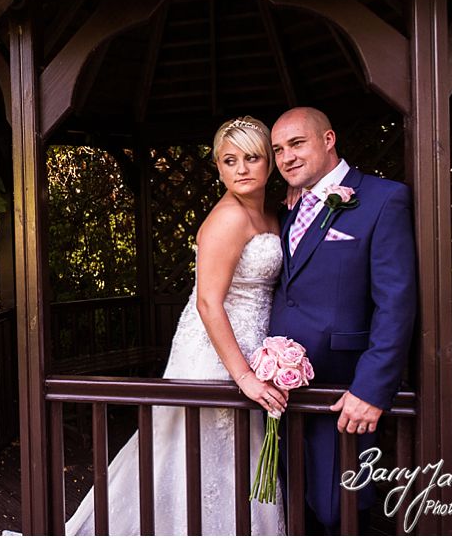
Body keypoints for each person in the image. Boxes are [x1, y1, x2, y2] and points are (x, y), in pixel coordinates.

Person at [65, 117, 286, 535]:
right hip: (213, 353)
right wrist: (244, 376)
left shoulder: (270, 213)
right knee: (196, 455)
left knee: (232, 456)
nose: (241, 169)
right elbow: (207, 302)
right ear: (218, 168)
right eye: (230, 160)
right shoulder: (228, 219)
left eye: (252, 158)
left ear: (268, 164)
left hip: (251, 347)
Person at [267, 107, 417, 534]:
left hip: (343, 387)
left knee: (341, 510)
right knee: (293, 505)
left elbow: (396, 301)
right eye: (278, 150)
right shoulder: (289, 208)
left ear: (329, 139)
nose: (287, 157)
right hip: (284, 389)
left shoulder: (383, 198)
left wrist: (372, 388)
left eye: (297, 144)